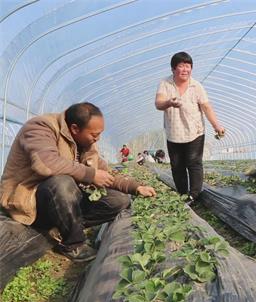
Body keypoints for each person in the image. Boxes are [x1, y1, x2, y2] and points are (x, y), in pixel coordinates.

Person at [0, 102, 157, 262]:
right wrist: (90, 174)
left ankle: (65, 228)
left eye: (100, 134)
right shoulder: (41, 127)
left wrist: (136, 187)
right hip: (31, 200)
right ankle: (73, 244)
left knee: (118, 200)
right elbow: (46, 164)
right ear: (75, 129)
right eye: (94, 135)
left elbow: (105, 173)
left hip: (62, 201)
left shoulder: (85, 143)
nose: (98, 139)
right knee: (62, 183)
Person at [155, 51, 225, 202]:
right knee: (177, 166)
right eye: (181, 66)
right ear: (173, 69)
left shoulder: (196, 86)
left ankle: (194, 194)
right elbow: (158, 103)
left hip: (195, 131)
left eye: (188, 66)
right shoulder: (165, 84)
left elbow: (207, 107)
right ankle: (182, 194)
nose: (185, 69)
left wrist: (217, 126)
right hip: (174, 133)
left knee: (194, 163)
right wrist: (169, 103)